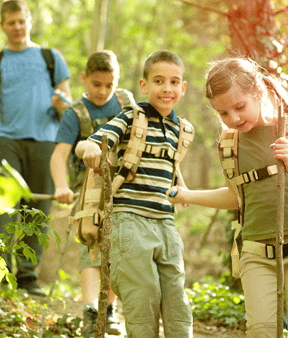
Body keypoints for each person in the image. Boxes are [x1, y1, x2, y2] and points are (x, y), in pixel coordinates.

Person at [166, 57, 288, 338]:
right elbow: (237, 196)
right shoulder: (229, 143)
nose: (233, 118)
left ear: (257, 90)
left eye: (239, 107)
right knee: (261, 331)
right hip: (256, 253)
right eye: (224, 114)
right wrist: (188, 195)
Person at [75, 50, 193, 338]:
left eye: (175, 82)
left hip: (166, 222)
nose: (167, 88)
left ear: (183, 87)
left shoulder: (182, 129)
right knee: (143, 293)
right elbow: (92, 142)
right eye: (159, 81)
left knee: (176, 296)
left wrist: (184, 187)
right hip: (130, 220)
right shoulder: (131, 117)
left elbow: (170, 166)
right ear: (144, 86)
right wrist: (90, 148)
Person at [0, 0, 72, 297]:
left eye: (21, 21)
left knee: (38, 210)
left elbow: (69, 108)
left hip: (45, 142)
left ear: (30, 21)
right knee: (3, 206)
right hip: (3, 139)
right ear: (2, 26)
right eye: (10, 22)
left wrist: (60, 105)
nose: (16, 28)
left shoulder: (52, 58)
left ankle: (27, 277)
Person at [50, 50, 134, 337]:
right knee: (92, 243)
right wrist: (61, 186)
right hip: (87, 190)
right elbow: (59, 156)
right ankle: (90, 310)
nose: (102, 91)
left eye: (109, 85)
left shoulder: (126, 103)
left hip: (123, 186)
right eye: (96, 84)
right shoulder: (75, 113)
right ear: (84, 78)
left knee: (116, 247)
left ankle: (107, 309)